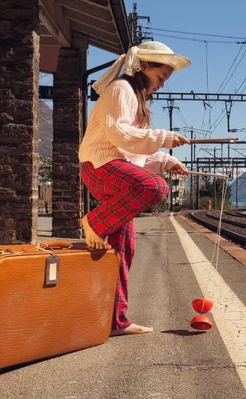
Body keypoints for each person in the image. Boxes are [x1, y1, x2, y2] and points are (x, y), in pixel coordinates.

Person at [78, 41, 191, 336]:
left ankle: (116, 321)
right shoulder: (120, 90)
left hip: (116, 171)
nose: (161, 86)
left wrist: (166, 161)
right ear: (143, 68)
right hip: (100, 165)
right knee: (153, 188)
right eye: (160, 78)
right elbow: (119, 134)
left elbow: (135, 152)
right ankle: (94, 221)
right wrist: (163, 137)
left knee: (123, 249)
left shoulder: (137, 100)